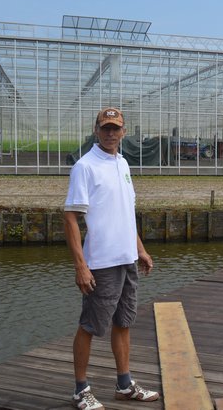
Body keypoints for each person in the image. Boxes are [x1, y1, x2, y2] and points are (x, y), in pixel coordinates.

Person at [64, 107, 160, 410]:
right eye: (105, 128)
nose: (110, 133)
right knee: (90, 326)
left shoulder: (122, 163)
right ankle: (81, 390)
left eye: (115, 128)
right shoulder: (85, 166)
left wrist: (140, 249)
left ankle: (124, 385)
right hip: (101, 263)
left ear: (123, 132)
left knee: (123, 322)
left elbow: (125, 213)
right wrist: (81, 266)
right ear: (96, 130)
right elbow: (70, 217)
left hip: (127, 259)